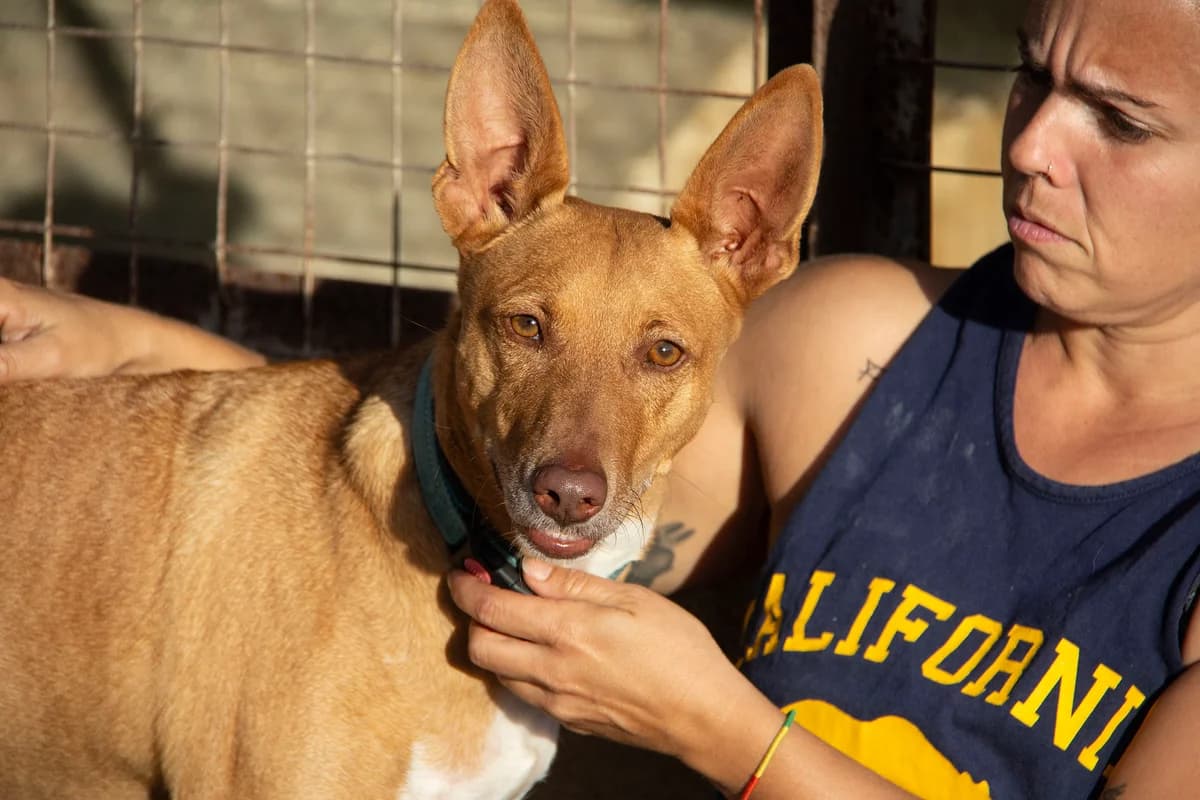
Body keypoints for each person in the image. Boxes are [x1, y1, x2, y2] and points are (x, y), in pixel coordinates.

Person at [3, 0, 1198, 796]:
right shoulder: (857, 344)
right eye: (1032, 74)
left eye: (1121, 118)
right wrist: (139, 345)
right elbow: (468, 461)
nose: (1031, 144)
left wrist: (731, 735)